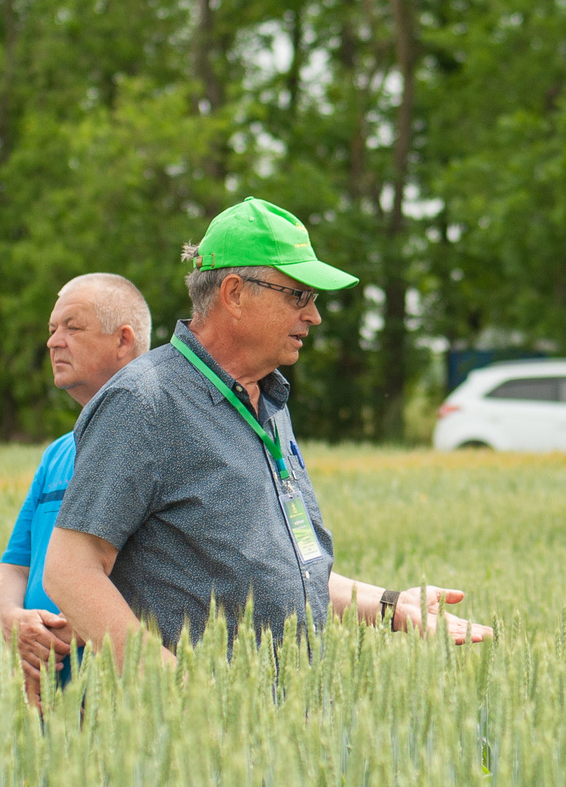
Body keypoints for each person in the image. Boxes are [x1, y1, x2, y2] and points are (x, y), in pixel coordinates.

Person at [45, 197, 492, 662]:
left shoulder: (268, 402)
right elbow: (69, 570)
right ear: (234, 293)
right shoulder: (144, 401)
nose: (314, 315)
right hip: (190, 726)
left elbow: (286, 570)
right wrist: (169, 686)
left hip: (280, 718)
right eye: (298, 295)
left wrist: (392, 606)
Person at [0, 274, 151, 702]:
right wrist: (13, 619)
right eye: (52, 329)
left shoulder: (160, 444)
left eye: (72, 328)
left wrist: (72, 625)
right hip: (51, 710)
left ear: (123, 340)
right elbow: (13, 567)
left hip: (127, 710)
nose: (53, 341)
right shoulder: (57, 454)